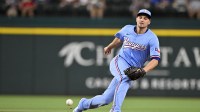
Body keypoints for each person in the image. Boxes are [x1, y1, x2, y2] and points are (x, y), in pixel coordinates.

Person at [73, 9, 161, 112]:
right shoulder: (127, 29)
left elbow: (155, 59)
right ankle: (115, 110)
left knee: (105, 99)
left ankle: (83, 104)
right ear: (136, 18)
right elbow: (119, 39)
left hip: (133, 69)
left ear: (149, 22)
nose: (142, 20)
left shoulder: (152, 38)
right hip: (119, 61)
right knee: (125, 78)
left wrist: (144, 70)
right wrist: (109, 46)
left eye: (145, 18)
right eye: (140, 17)